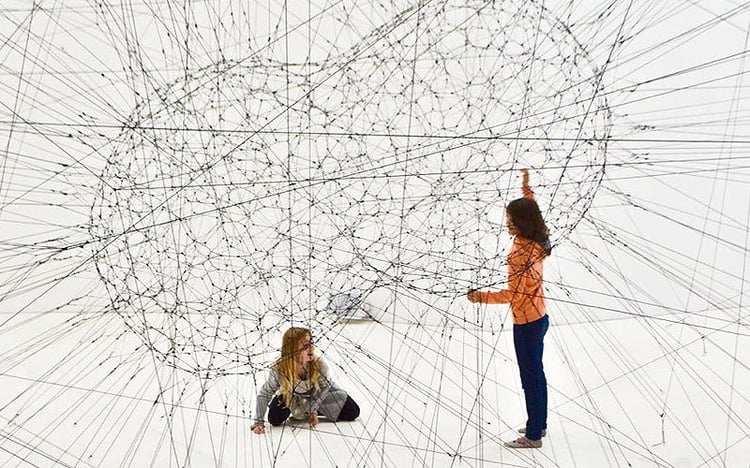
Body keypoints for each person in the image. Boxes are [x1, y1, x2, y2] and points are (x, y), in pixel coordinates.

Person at [467, 168, 552, 449]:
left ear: (522, 223)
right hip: (540, 316)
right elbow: (534, 207)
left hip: (526, 322)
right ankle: (538, 423)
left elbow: (513, 295)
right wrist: (526, 188)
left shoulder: (520, 254)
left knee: (530, 378)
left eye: (511, 220)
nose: (508, 224)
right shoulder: (540, 240)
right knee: (537, 373)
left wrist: (481, 297)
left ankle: (533, 436)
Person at [251, 327, 360, 433]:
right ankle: (302, 409)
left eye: (312, 343)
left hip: (317, 395)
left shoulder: (319, 365)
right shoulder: (279, 369)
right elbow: (265, 393)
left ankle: (312, 410)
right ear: (292, 349)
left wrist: (313, 409)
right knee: (274, 419)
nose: (312, 348)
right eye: (306, 346)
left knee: (353, 412)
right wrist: (258, 422)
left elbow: (324, 387)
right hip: (291, 396)